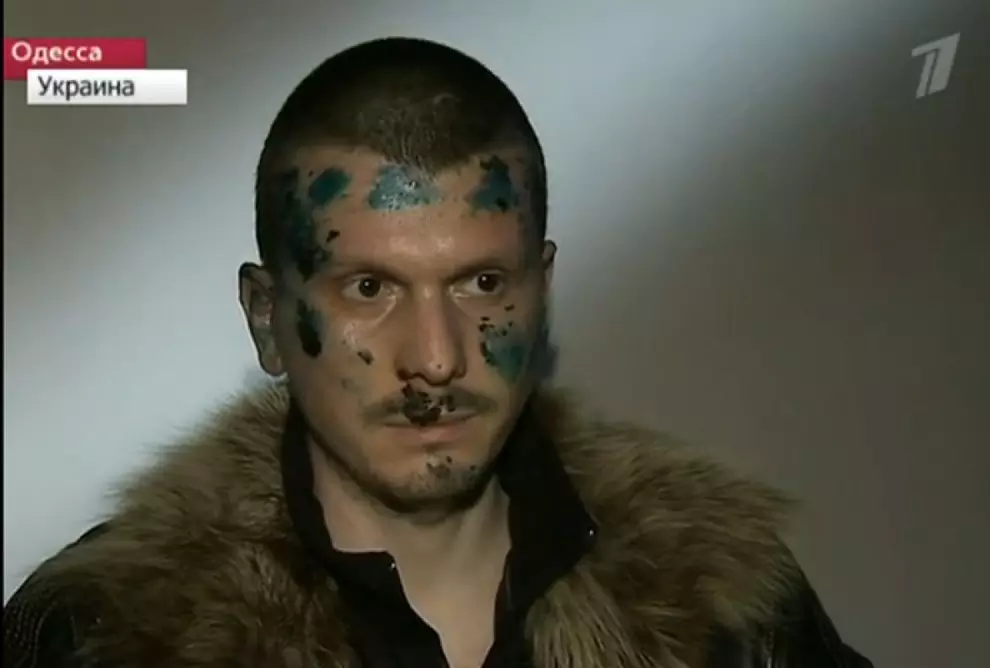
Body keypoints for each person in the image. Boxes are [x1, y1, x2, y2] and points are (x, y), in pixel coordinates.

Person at [3, 37, 873, 668]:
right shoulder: (100, 633)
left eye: (482, 285)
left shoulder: (727, 606)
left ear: (541, 293)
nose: (436, 358)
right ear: (268, 319)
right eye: (369, 289)